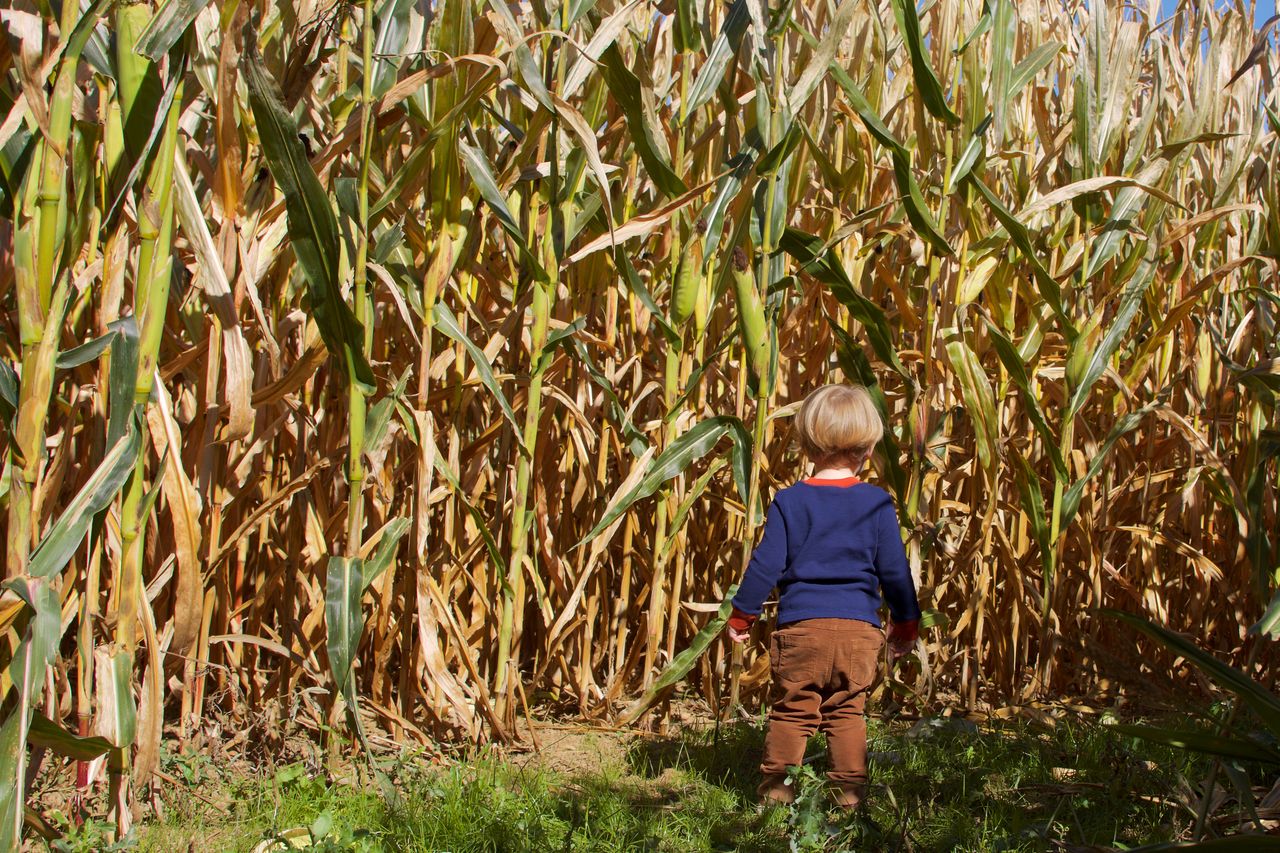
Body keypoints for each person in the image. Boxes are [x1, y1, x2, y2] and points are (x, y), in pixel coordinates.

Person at [726, 383, 920, 809]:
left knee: (794, 711)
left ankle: (776, 795)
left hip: (802, 630)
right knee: (847, 711)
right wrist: (906, 623)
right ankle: (849, 798)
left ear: (806, 445)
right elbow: (895, 573)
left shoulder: (790, 502)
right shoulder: (876, 504)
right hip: (858, 632)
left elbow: (764, 566)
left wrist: (743, 615)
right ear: (868, 449)